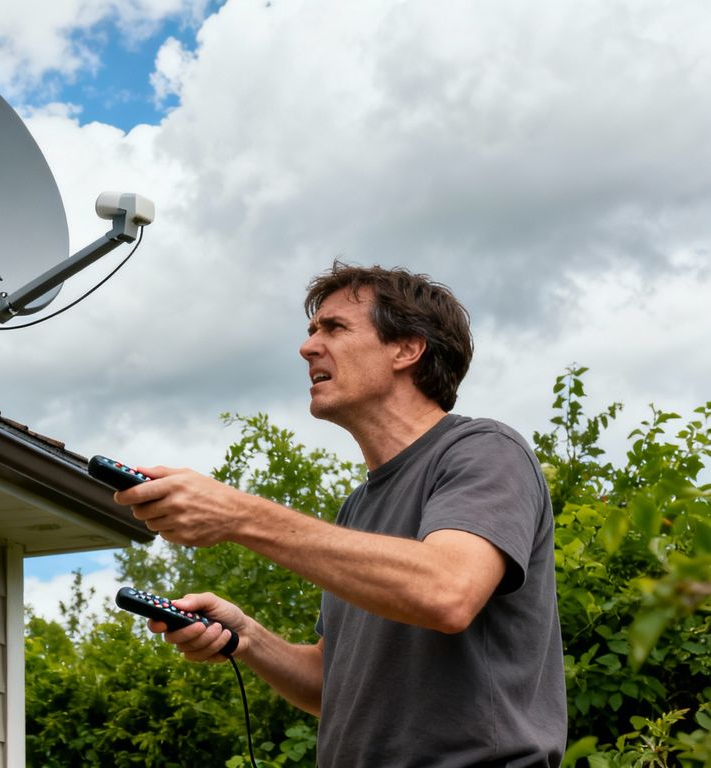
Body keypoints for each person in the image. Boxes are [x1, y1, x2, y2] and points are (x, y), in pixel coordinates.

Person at [116, 262, 566, 767]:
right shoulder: (357, 508)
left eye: (334, 328)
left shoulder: (484, 451)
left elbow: (447, 591)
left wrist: (239, 515)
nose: (308, 347)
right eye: (311, 331)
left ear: (406, 348)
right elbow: (333, 686)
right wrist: (248, 637)